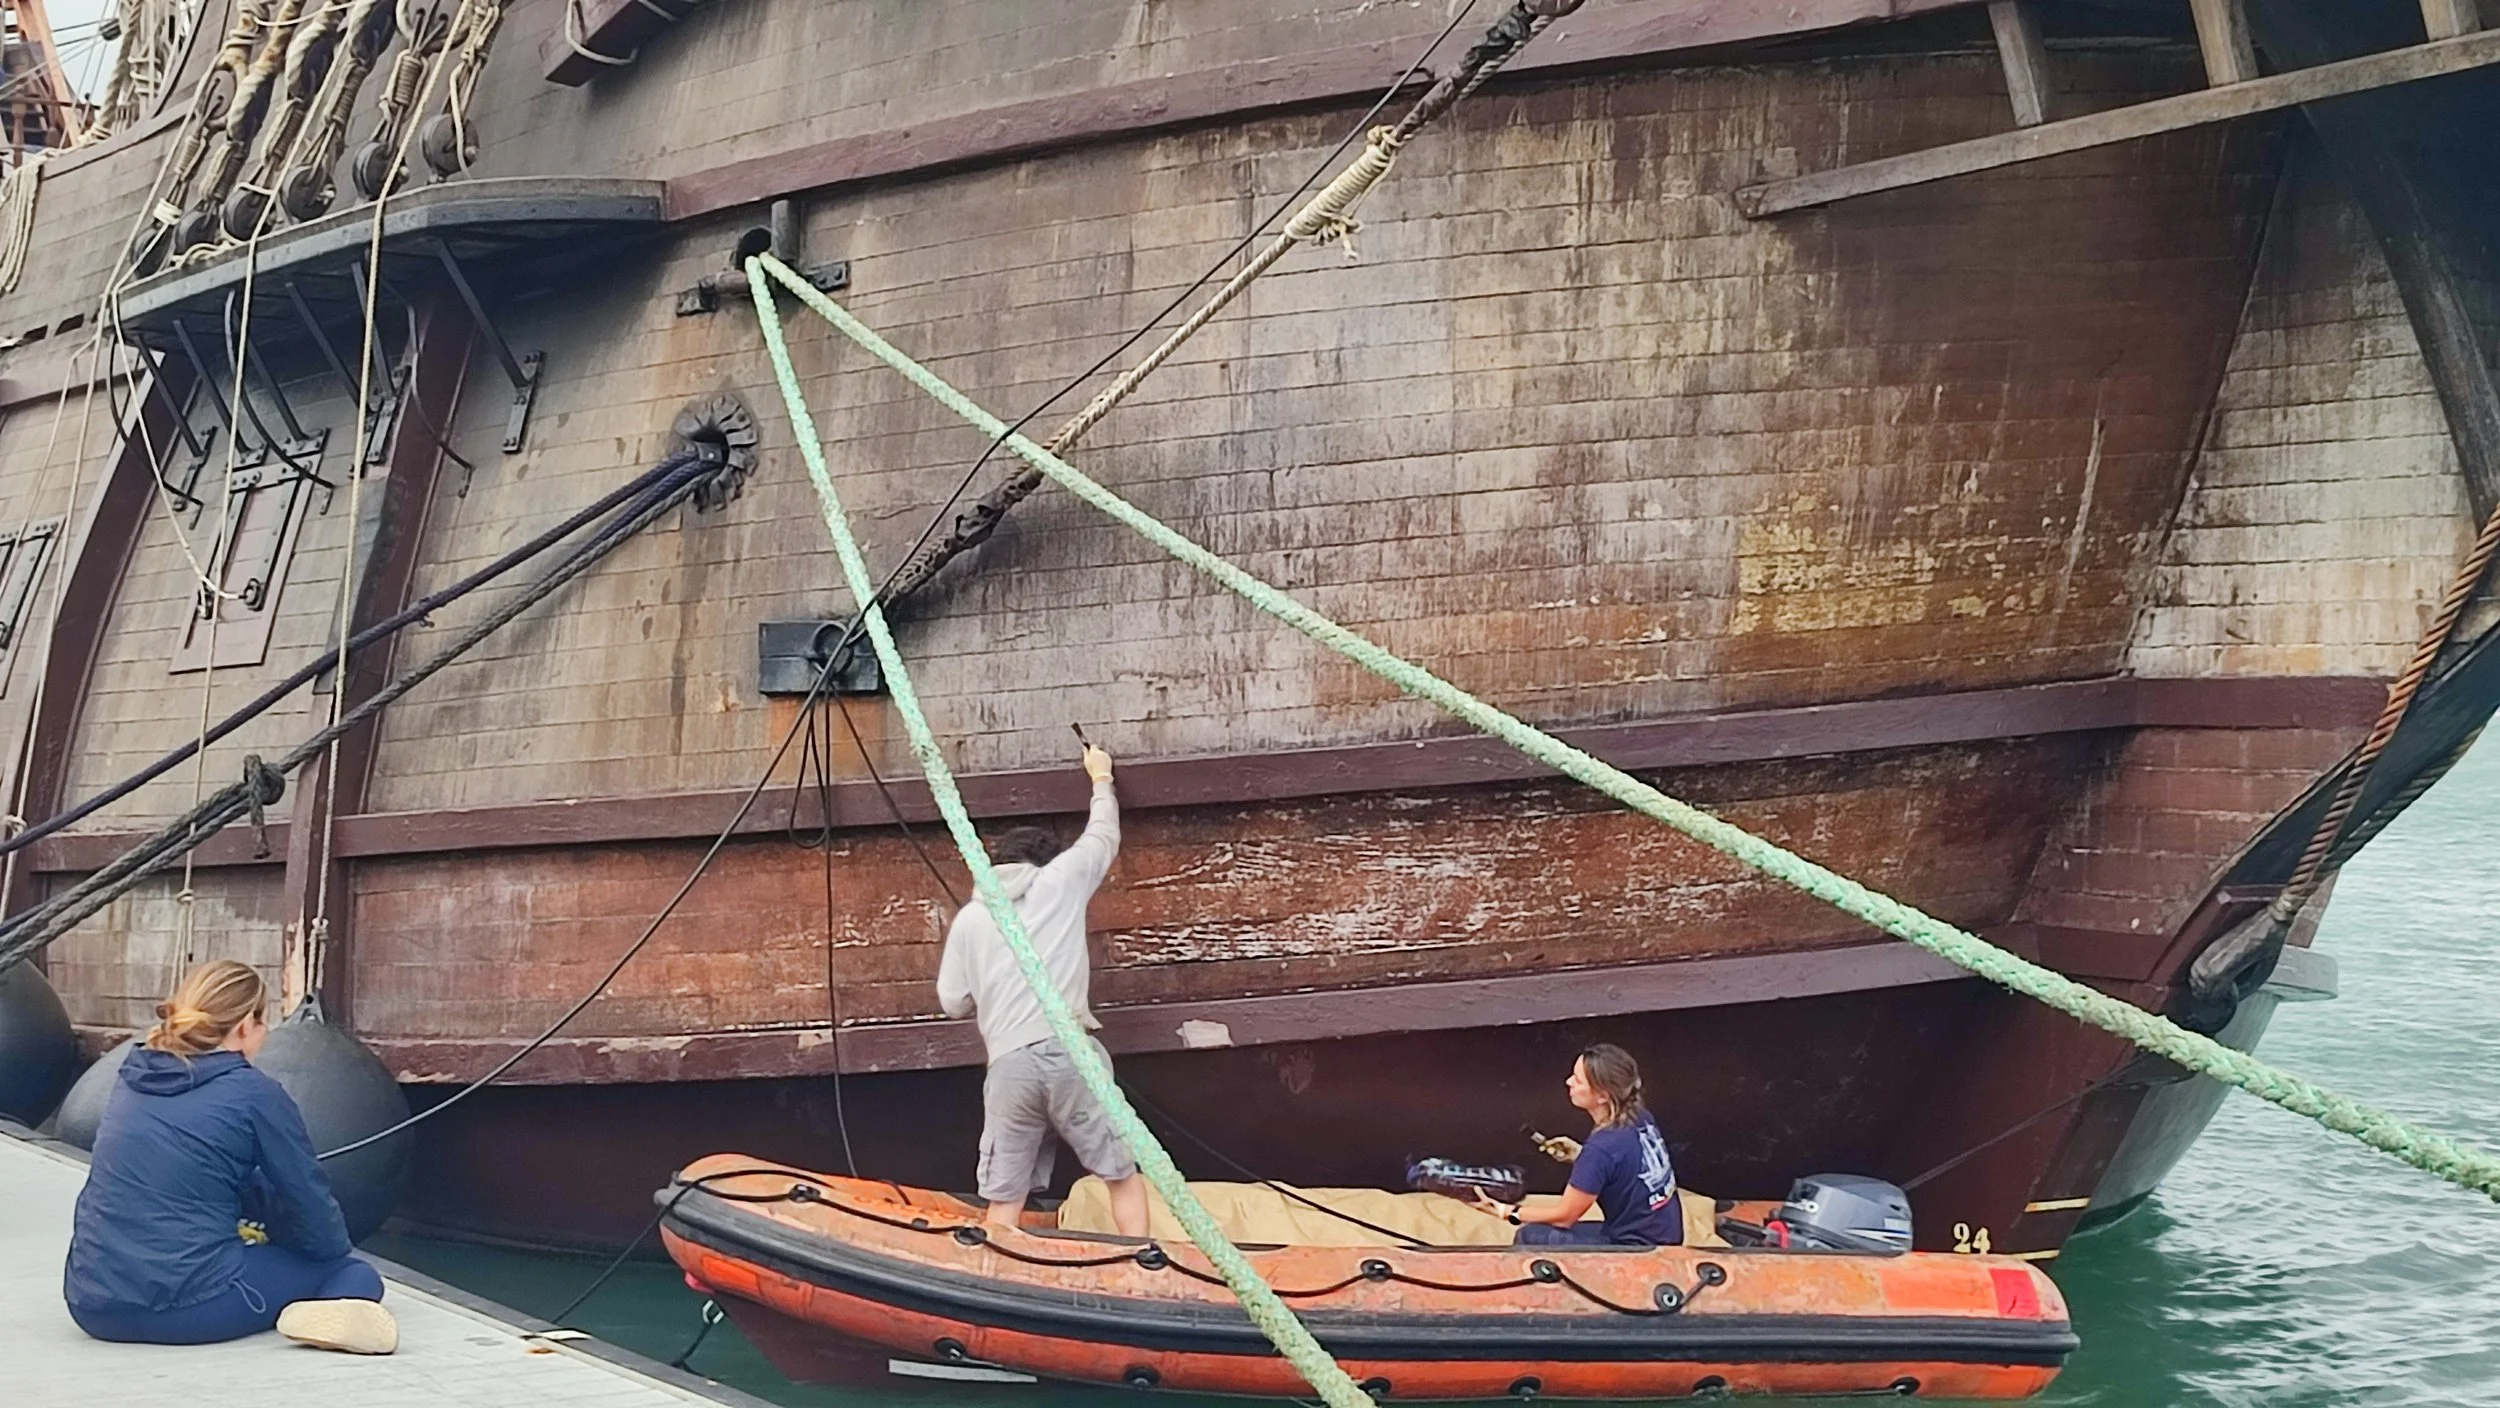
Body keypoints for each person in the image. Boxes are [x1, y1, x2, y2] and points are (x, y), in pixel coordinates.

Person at [64, 959, 398, 1354]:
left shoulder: (132, 1077)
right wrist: (311, 1251)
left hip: (92, 1305)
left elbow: (201, 1166)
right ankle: (312, 1309)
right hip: (186, 1308)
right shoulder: (253, 1093)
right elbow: (307, 1200)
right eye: (262, 1022)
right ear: (243, 1027)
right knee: (350, 1273)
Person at [937, 742, 1150, 1237]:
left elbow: (952, 1002)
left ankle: (997, 1274)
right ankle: (1143, 1263)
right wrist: (1101, 777)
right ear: (1044, 862)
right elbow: (1103, 835)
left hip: (1009, 1066)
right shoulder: (1059, 881)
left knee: (1004, 1199)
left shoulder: (971, 918)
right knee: (1122, 1175)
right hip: (1070, 1055)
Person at [1478, 1044, 1682, 1246]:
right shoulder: (1641, 1117)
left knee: (1529, 1235)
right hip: (1666, 1234)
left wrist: (1508, 1212)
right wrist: (1580, 1155)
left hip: (1638, 1249)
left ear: (1603, 1096)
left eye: (1577, 1080)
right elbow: (1622, 1165)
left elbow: (1564, 1218)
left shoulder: (1600, 1150)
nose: (1568, 1082)